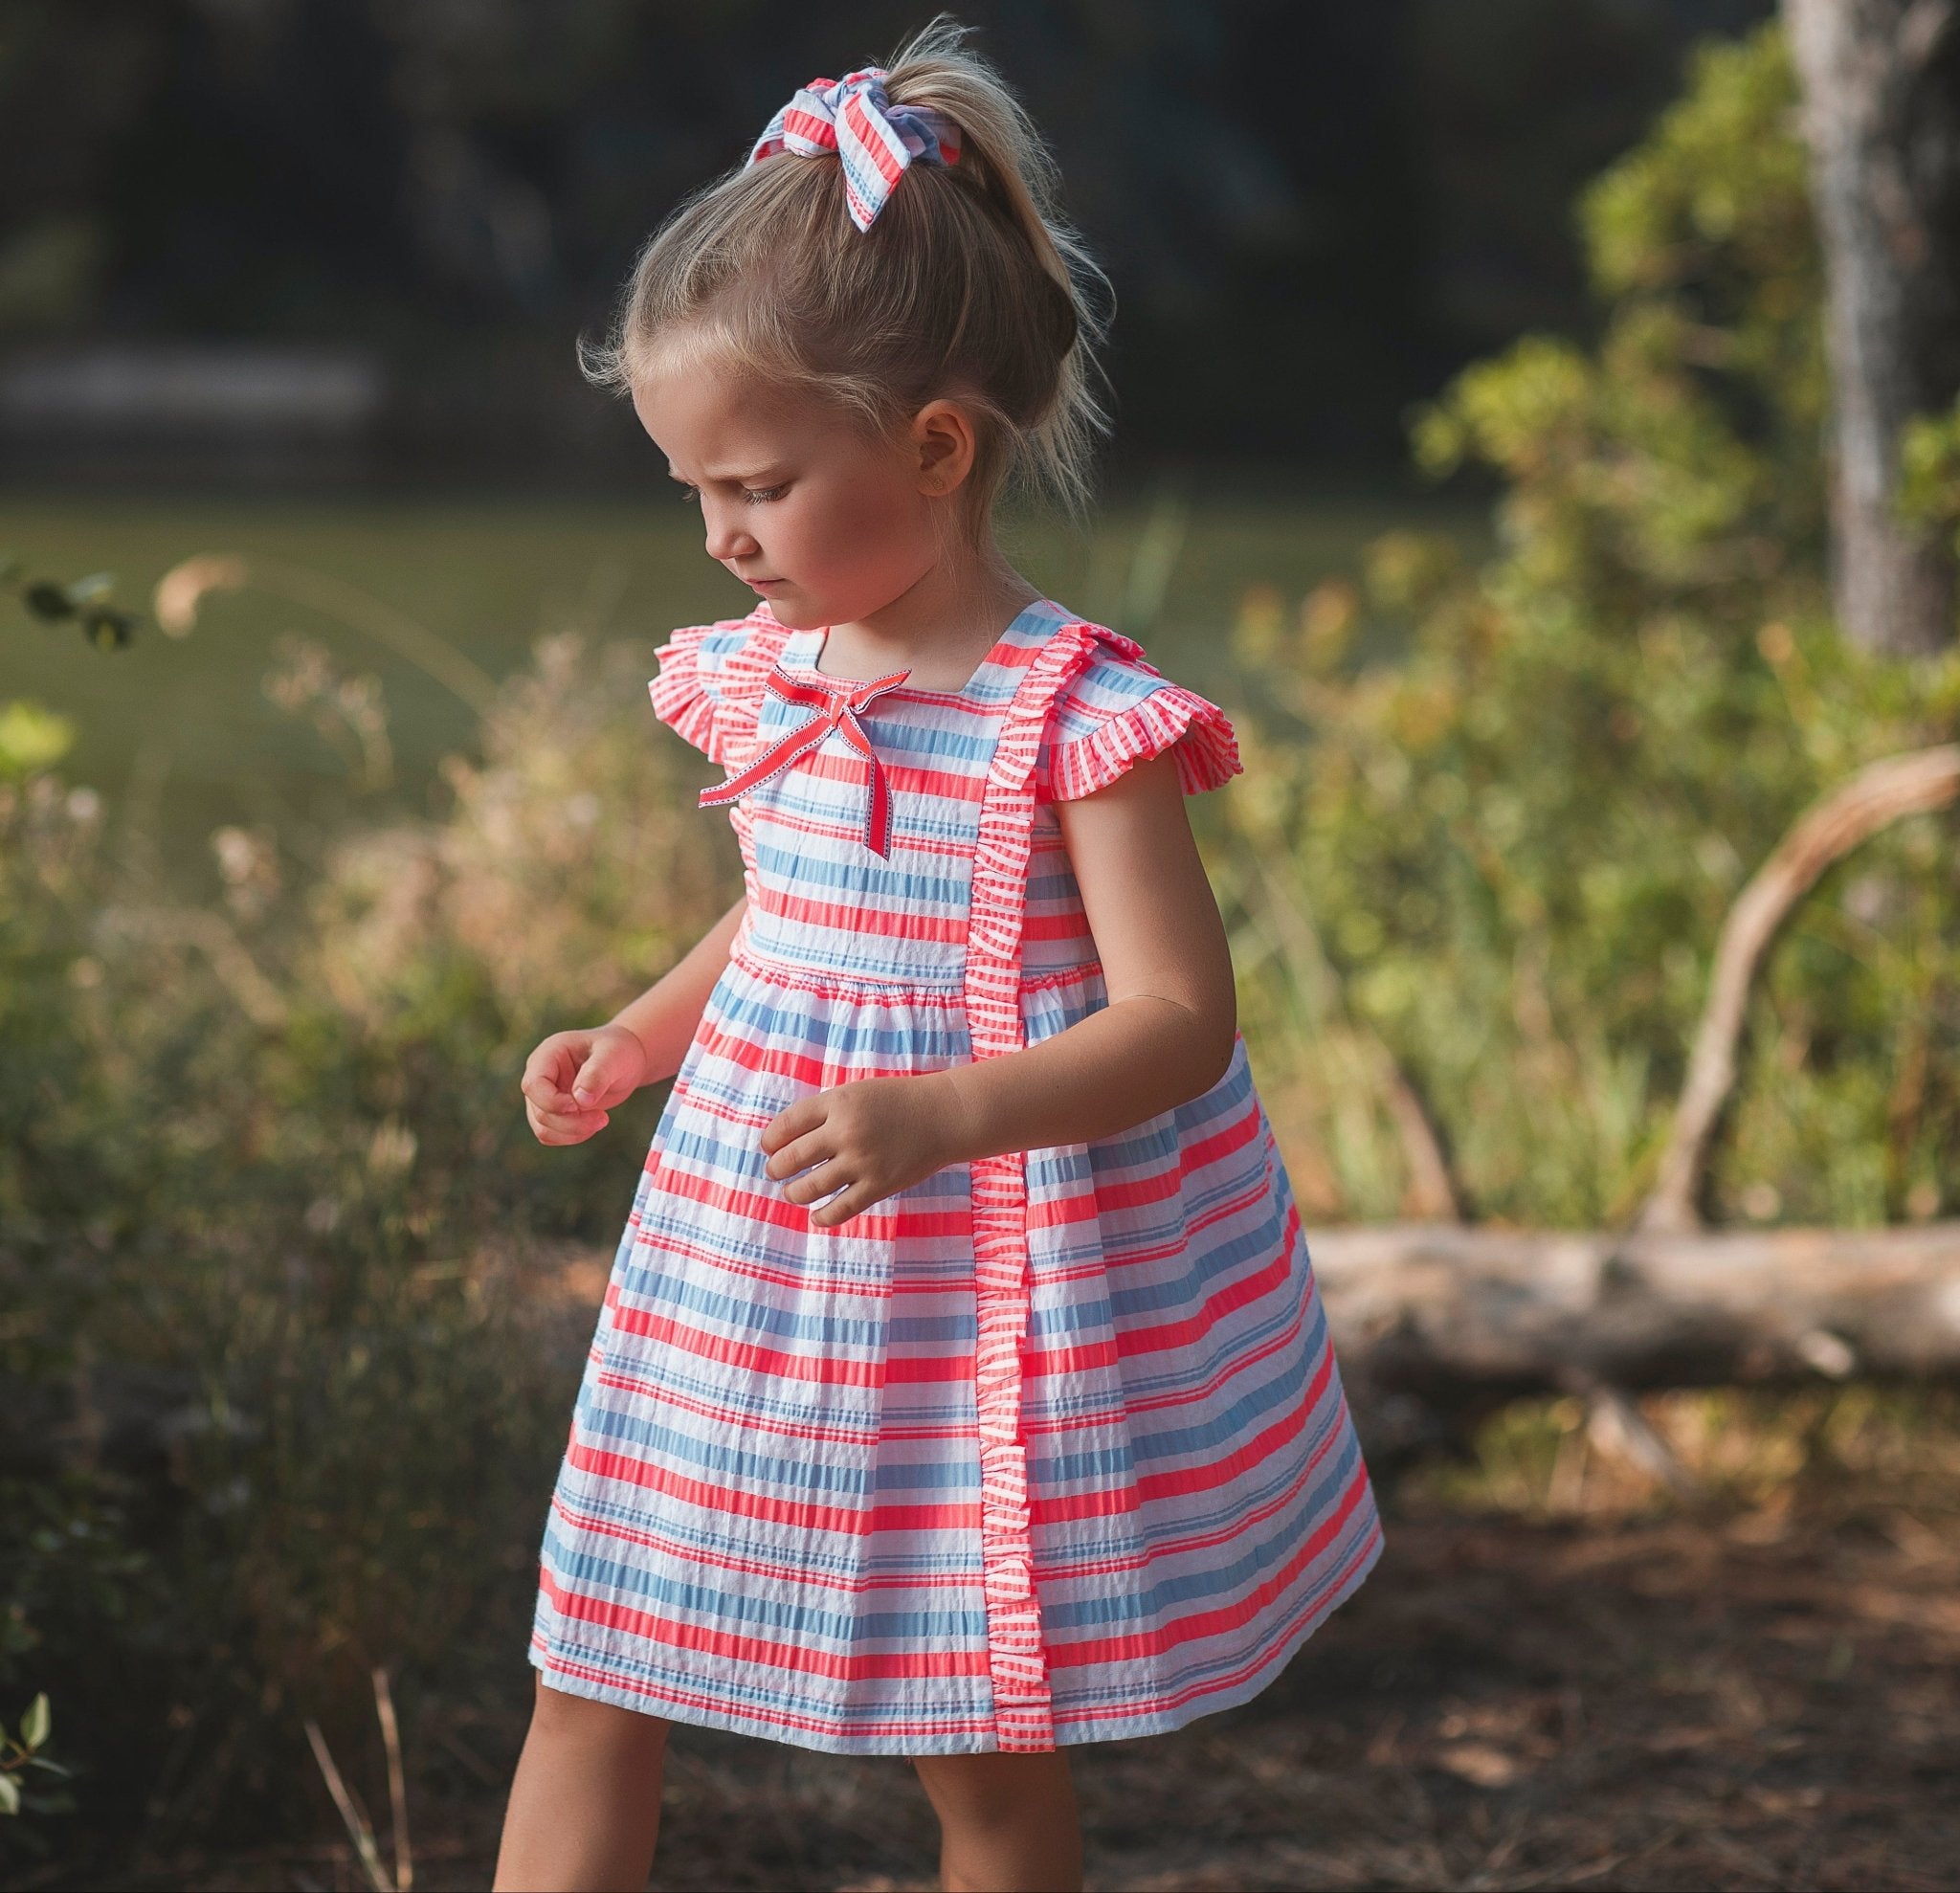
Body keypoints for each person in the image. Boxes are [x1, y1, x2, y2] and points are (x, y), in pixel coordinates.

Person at [494, 19, 1382, 1892]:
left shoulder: (1074, 716)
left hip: (975, 1274)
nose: (722, 539)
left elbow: (1176, 1020)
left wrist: (946, 1110)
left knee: (970, 1724)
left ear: (934, 443)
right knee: (595, 1653)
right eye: (694, 495)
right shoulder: (771, 679)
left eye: (754, 486)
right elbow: (788, 904)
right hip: (740, 1249)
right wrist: (645, 1033)